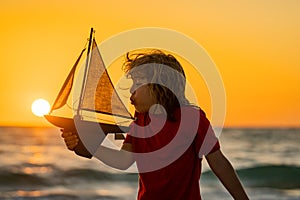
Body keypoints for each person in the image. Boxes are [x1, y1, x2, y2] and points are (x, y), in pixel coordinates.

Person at [61, 50, 249, 200]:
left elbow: (219, 163)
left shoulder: (192, 119)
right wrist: (87, 146)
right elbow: (123, 160)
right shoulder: (140, 120)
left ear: (161, 85)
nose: (131, 90)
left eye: (139, 82)